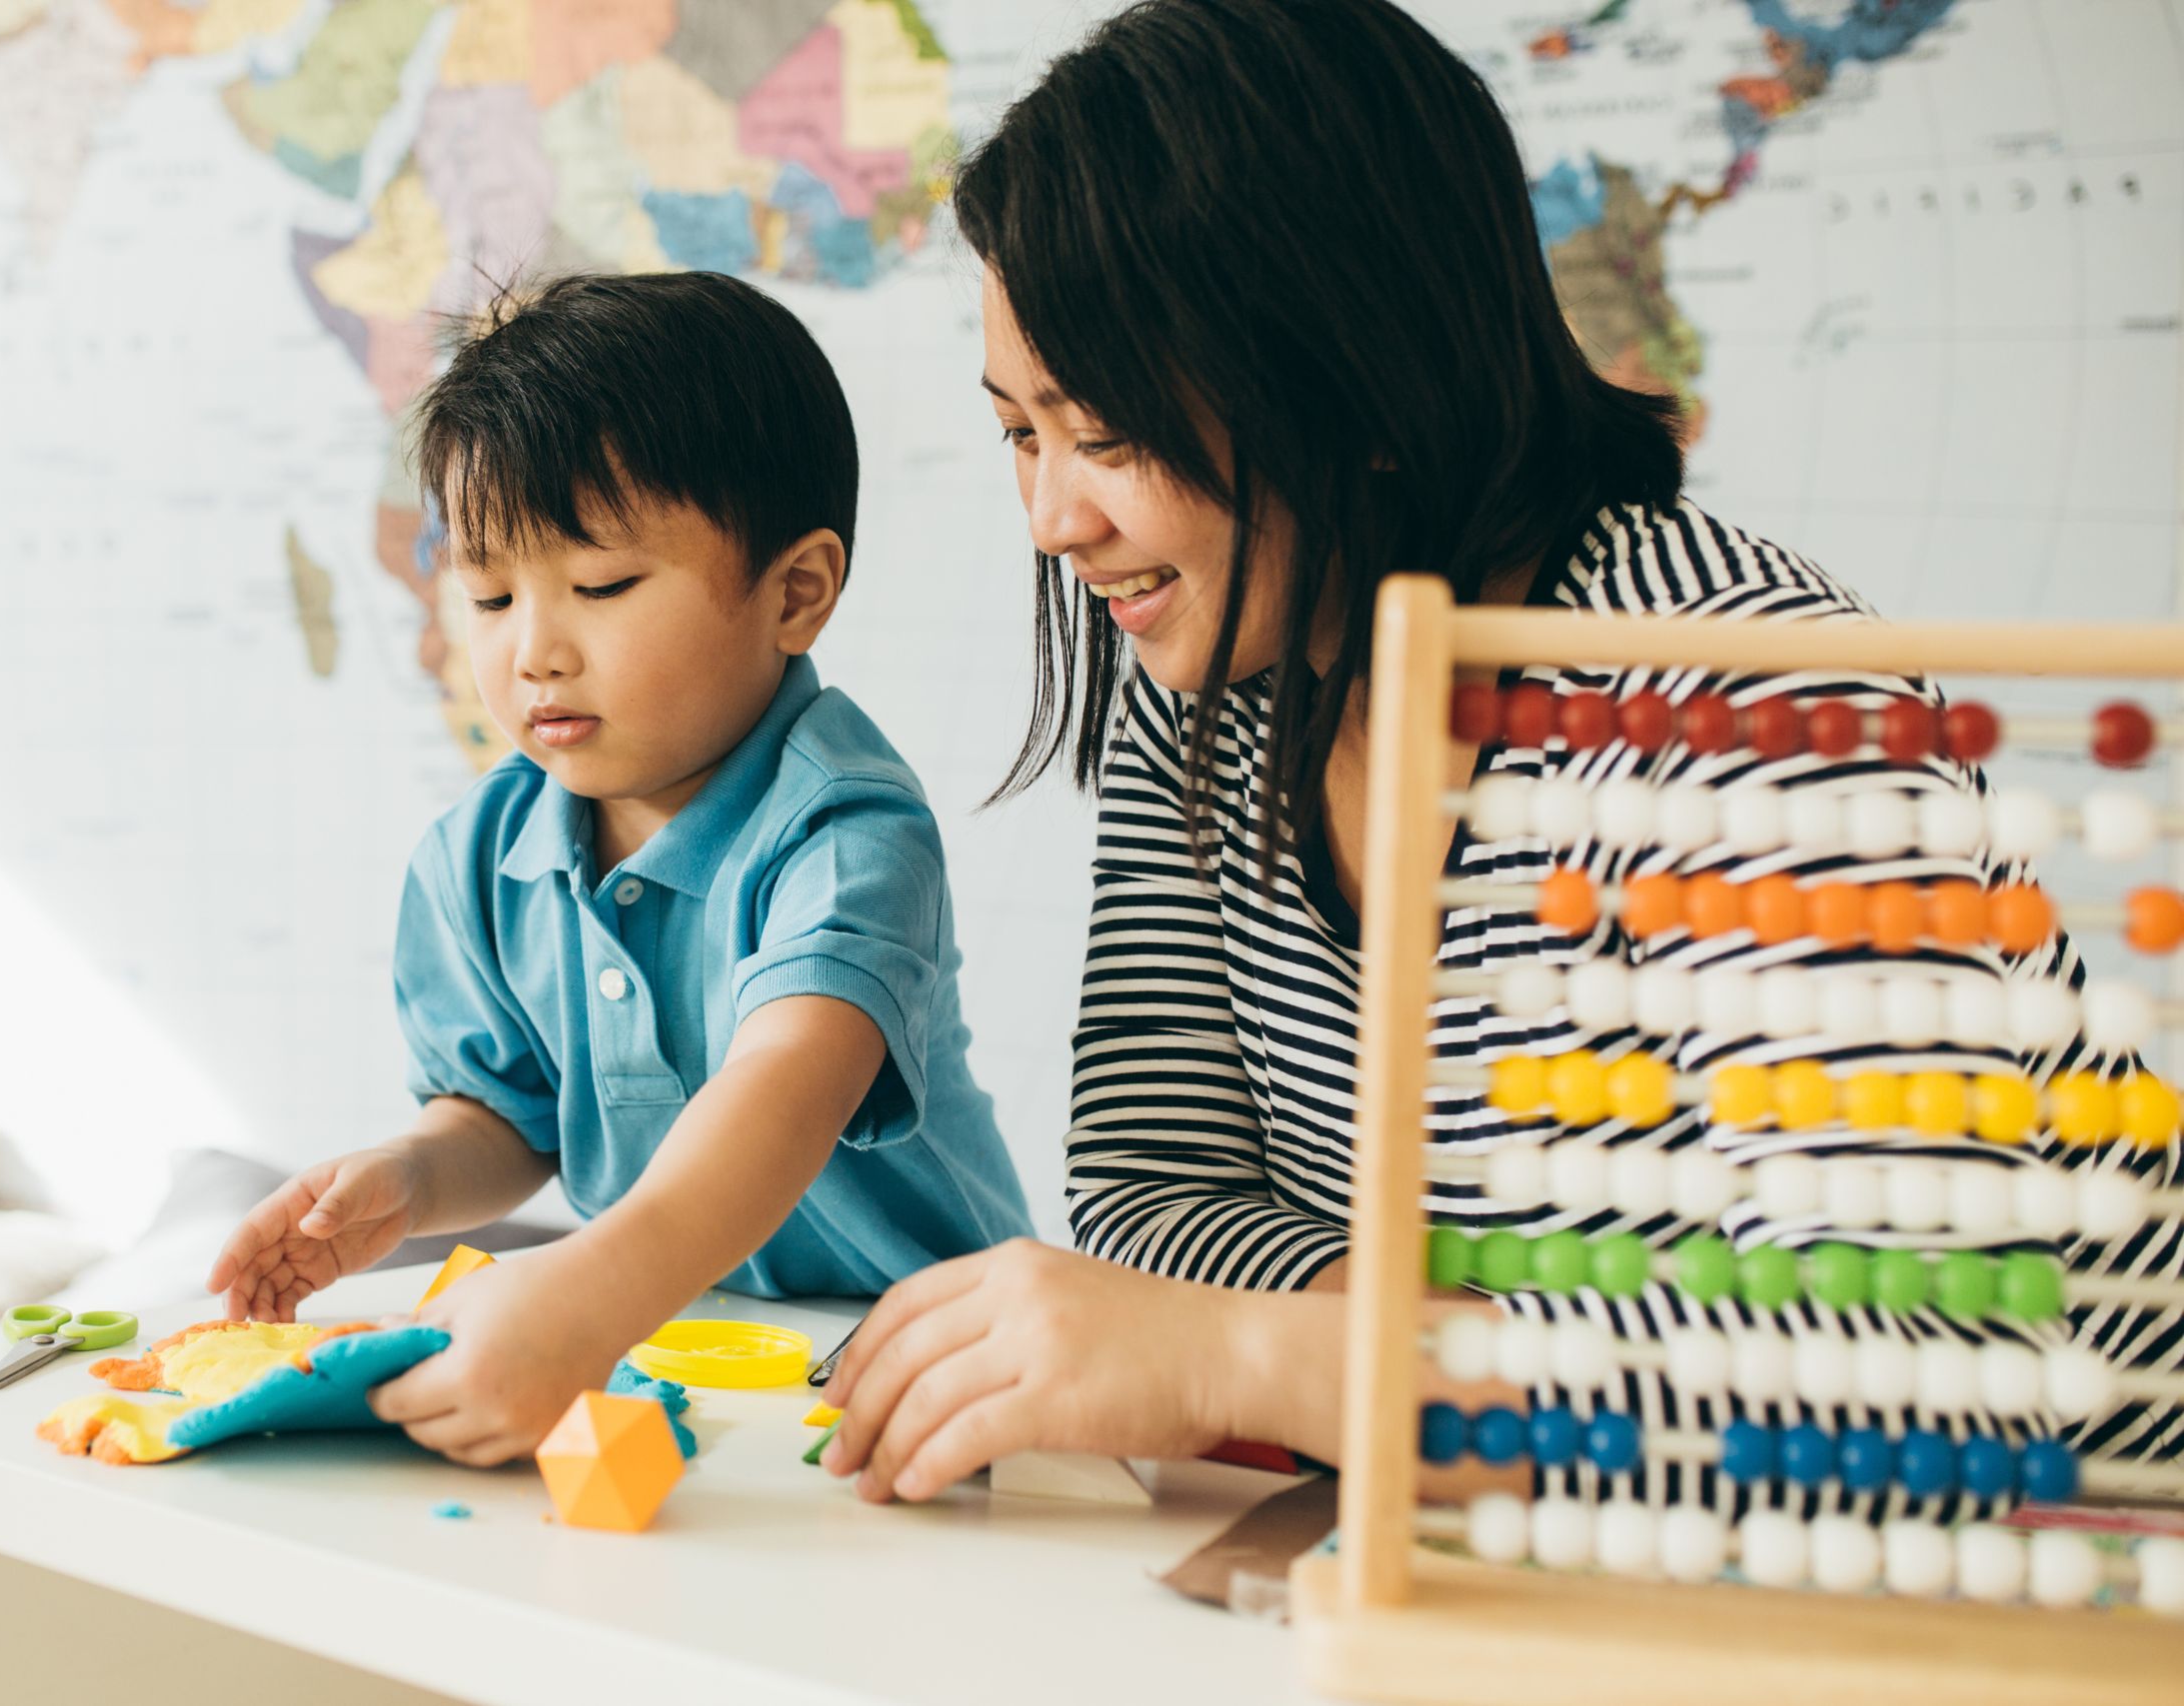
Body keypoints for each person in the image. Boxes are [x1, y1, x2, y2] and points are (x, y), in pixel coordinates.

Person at [822, 0, 2172, 1506]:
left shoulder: (1752, 700)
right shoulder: (1208, 681)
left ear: (1359, 381)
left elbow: (1917, 1380)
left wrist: (1266, 1361)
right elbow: (1150, 1196)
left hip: (2071, 1564)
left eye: (1111, 433)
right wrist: (1434, 1363)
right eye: (1022, 431)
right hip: (1568, 1540)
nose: (1053, 518)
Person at [208, 272, 1031, 1466]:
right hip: (673, 1353)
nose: (533, 649)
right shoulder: (482, 855)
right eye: (489, 594)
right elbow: (510, 1116)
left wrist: (584, 1292)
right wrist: (410, 1178)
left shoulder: (848, 829)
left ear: (794, 592)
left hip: (918, 1371)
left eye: (599, 587)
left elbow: (780, 1096)